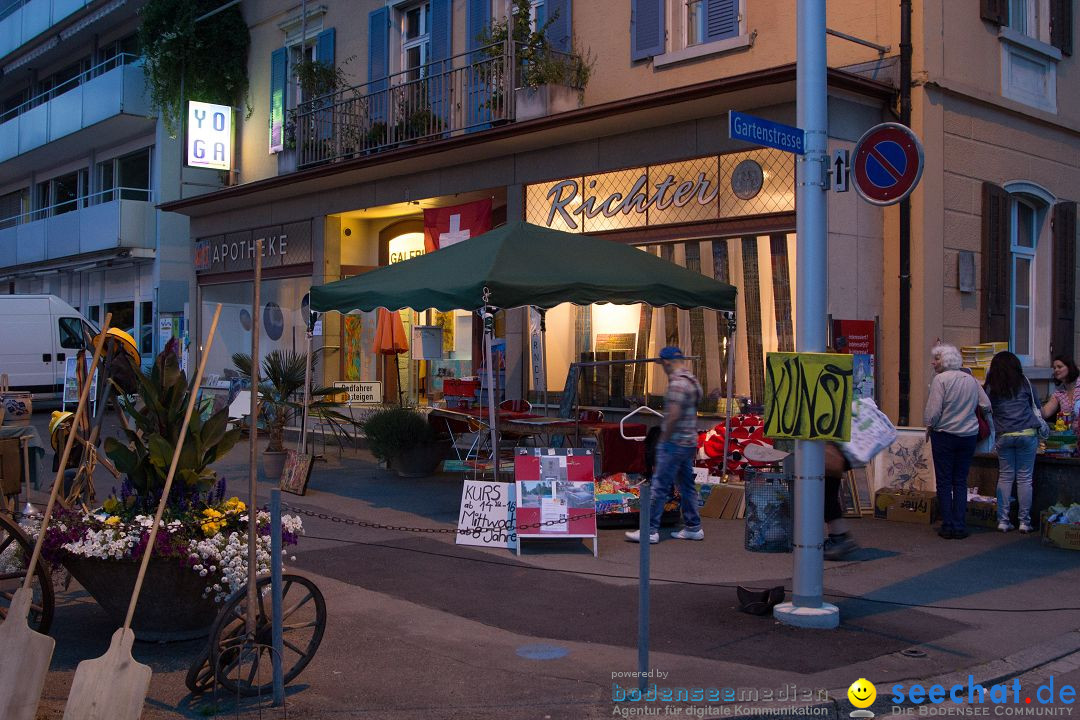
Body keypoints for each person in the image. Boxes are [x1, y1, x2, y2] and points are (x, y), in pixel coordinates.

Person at [626, 346, 704, 544]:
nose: (663, 368)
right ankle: (693, 527)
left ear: (667, 362)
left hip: (674, 443)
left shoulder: (677, 383)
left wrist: (663, 440)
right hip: (688, 442)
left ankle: (649, 530)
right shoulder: (692, 381)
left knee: (659, 486)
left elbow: (674, 415)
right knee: (687, 486)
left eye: (662, 364)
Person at [924, 343, 991, 540]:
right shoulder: (970, 380)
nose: (933, 362)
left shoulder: (940, 380)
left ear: (944, 361)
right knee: (960, 481)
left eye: (936, 359)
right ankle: (960, 525)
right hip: (968, 435)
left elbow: (933, 412)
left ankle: (948, 524)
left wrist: (928, 425)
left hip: (945, 434)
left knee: (944, 481)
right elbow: (986, 404)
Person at [984, 351, 1041, 533]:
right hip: (1027, 433)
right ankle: (1024, 522)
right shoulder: (1025, 382)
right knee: (1025, 479)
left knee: (1005, 477)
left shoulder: (991, 386)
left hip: (1004, 435)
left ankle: (1003, 520)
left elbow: (986, 407)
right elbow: (1037, 406)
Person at [823, 443, 859, 559]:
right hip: (835, 454)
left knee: (825, 496)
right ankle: (839, 537)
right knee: (827, 496)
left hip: (829, 453)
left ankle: (840, 538)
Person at [1041, 355, 1080, 434]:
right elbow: (1045, 413)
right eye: (1054, 368)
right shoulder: (1058, 393)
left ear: (1070, 367)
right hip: (1069, 438)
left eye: (1059, 367)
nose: (1056, 370)